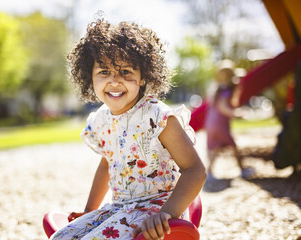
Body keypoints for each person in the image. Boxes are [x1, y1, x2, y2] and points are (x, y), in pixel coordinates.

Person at [51, 19, 206, 240]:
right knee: (60, 238)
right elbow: (107, 164)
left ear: (143, 76)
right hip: (119, 208)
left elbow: (195, 170)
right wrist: (88, 211)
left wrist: (166, 214)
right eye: (104, 71)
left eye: (125, 72)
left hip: (157, 209)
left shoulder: (157, 117)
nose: (115, 81)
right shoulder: (101, 120)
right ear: (89, 76)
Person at [204, 60, 252, 180]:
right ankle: (242, 170)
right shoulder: (226, 91)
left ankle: (209, 172)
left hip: (211, 124)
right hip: (220, 124)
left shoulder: (217, 90)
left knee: (215, 148)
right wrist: (235, 113)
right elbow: (223, 106)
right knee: (233, 146)